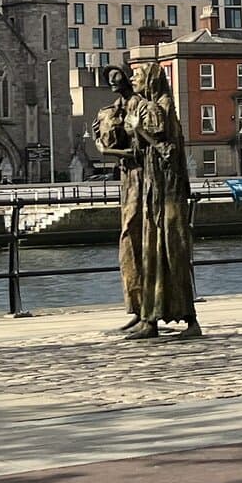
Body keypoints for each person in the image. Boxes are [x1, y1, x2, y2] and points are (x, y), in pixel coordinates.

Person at [123, 63, 201, 340]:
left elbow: (165, 148)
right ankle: (150, 318)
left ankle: (187, 320)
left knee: (171, 254)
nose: (132, 79)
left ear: (152, 80)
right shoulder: (151, 104)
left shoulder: (163, 106)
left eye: (138, 76)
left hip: (168, 194)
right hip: (155, 192)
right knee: (152, 254)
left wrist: (139, 130)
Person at [92, 65, 143, 331]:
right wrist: (100, 139)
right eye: (108, 79)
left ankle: (145, 309)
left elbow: (139, 151)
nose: (112, 81)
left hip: (140, 178)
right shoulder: (114, 108)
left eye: (116, 77)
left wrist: (106, 149)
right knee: (128, 244)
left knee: (132, 237)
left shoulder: (137, 105)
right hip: (127, 179)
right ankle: (136, 308)